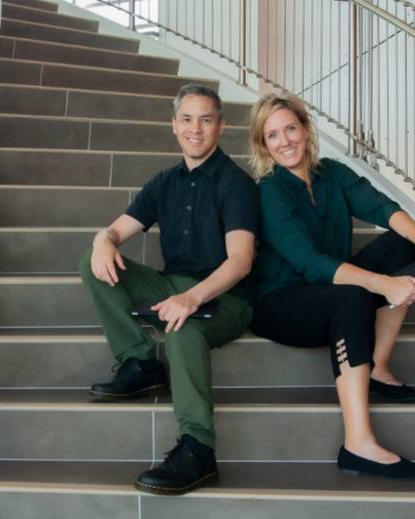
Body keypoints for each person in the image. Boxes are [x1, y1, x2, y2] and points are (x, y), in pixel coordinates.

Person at [248, 93, 415, 479]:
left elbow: (381, 207)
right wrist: (384, 284)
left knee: (402, 243)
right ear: (264, 145)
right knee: (352, 295)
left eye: (290, 128)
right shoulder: (269, 191)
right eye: (272, 135)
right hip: (281, 304)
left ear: (306, 130)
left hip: (332, 287)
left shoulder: (332, 173)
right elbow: (310, 264)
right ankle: (357, 443)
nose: (285, 141)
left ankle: (376, 365)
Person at [79, 84, 259, 494]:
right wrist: (102, 239)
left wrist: (193, 298)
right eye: (187, 118)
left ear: (221, 126)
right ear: (174, 125)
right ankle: (142, 364)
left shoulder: (236, 184)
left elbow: (241, 260)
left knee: (184, 327)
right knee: (90, 263)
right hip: (174, 285)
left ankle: (198, 449)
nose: (196, 129)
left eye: (206, 119)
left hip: (227, 299)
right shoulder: (164, 182)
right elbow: (115, 231)